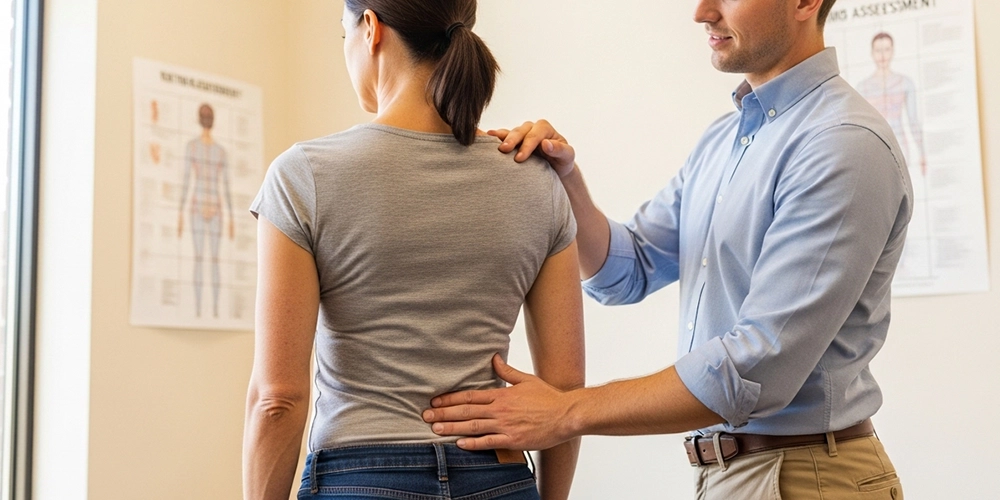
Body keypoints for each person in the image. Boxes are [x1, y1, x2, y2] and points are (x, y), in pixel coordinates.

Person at [422, 0, 912, 498]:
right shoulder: (726, 139)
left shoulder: (842, 143)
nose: (702, 12)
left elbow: (757, 366)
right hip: (732, 474)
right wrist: (565, 181)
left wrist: (566, 413)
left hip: (804, 478)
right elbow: (627, 269)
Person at [242, 1, 584, 499]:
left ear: (370, 29)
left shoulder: (305, 176)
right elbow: (565, 389)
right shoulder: (535, 180)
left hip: (359, 477)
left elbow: (277, 399)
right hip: (497, 474)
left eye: (344, 37)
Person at [177, 103, 234, 318]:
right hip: (199, 206)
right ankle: (200, 310)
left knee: (213, 260)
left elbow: (226, 186)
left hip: (214, 208)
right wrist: (181, 212)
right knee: (201, 258)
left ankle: (216, 310)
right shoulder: (192, 147)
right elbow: (186, 182)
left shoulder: (220, 151)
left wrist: (230, 217)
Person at [856, 32, 927, 176]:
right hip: (874, 150)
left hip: (900, 145)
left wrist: (922, 153)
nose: (882, 55)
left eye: (887, 49)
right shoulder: (863, 87)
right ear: (872, 53)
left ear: (893, 51)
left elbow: (913, 121)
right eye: (878, 50)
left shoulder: (905, 83)